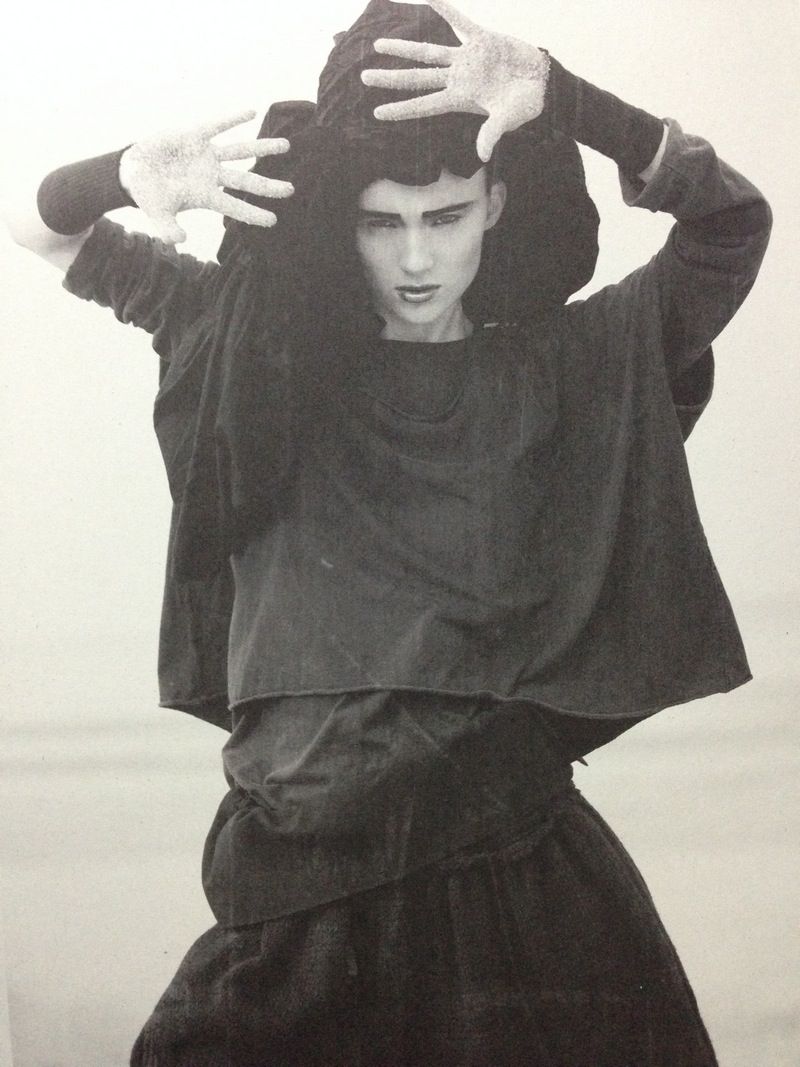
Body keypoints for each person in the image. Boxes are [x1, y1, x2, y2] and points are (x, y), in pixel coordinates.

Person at [6, 0, 771, 1063]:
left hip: (519, 884)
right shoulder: (245, 350)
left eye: (445, 215)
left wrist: (569, 99)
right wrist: (123, 171)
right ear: (339, 221)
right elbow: (37, 226)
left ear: (495, 203)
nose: (417, 256)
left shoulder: (567, 363)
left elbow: (731, 225)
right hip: (299, 893)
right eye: (380, 222)